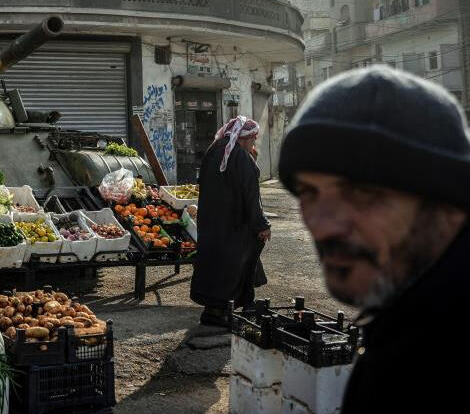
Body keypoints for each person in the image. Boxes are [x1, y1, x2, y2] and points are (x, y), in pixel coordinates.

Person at [278, 66, 469, 412]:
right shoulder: (406, 321)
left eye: (363, 192)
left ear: (450, 205)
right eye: (308, 192)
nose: (322, 226)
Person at [189, 116, 271, 327]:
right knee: (233, 267)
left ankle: (215, 311)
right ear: (247, 137)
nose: (254, 144)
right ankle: (224, 312)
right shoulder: (240, 157)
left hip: (211, 224)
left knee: (214, 266)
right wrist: (261, 224)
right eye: (254, 139)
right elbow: (251, 196)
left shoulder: (213, 151)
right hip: (235, 225)